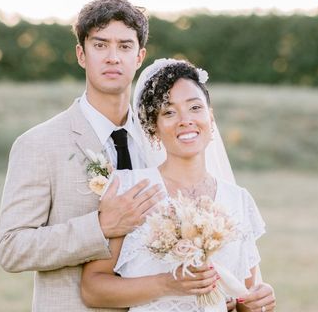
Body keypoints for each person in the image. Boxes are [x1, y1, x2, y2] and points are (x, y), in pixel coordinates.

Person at [0, 0, 165, 312]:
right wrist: (99, 227)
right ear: (81, 55)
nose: (113, 57)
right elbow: (11, 248)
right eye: (100, 45)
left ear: (140, 56)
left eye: (124, 46)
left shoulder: (159, 142)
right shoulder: (39, 144)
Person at [81, 59, 277, 312]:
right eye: (169, 112)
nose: (185, 120)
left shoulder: (238, 199)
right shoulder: (130, 189)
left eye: (195, 107)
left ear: (210, 116)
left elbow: (247, 296)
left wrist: (259, 302)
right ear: (153, 128)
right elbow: (93, 289)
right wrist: (170, 284)